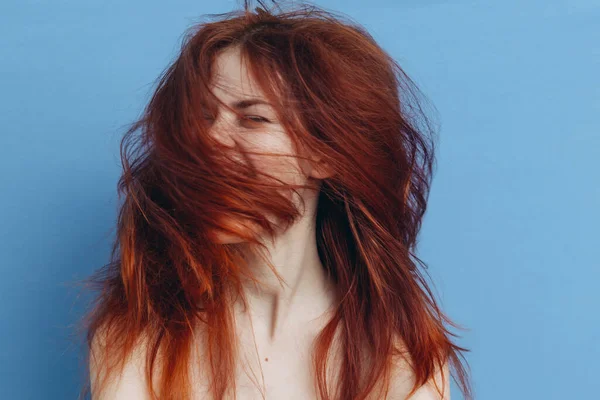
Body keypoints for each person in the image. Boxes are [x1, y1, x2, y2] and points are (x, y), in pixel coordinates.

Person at [78, 1, 472, 399]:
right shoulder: (142, 336)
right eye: (203, 117)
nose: (210, 141)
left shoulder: (396, 349)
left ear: (324, 154)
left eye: (252, 119)